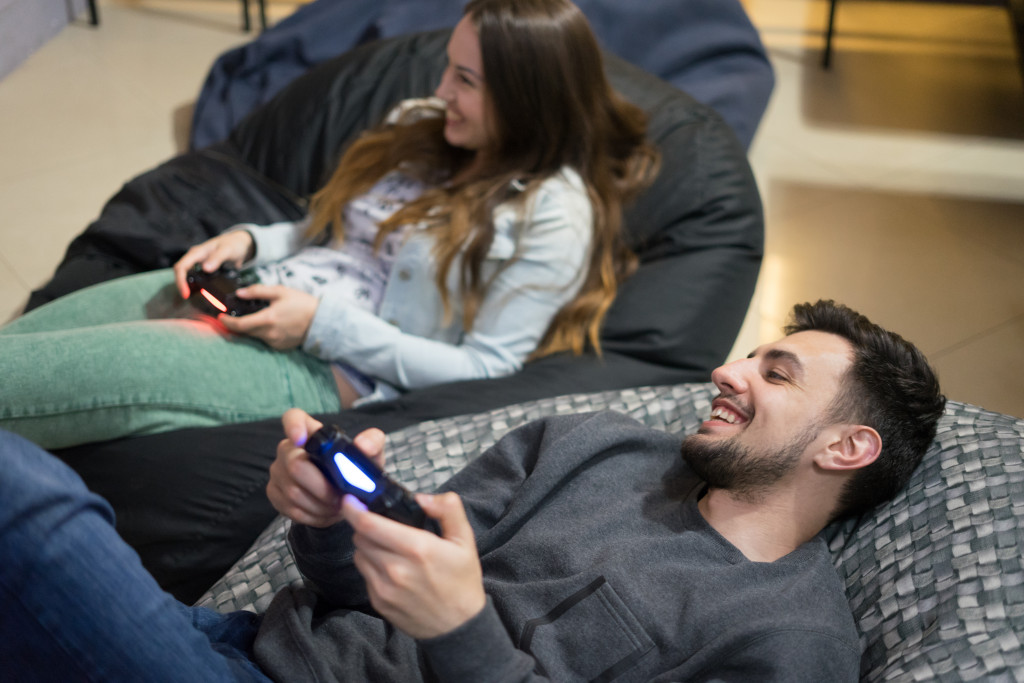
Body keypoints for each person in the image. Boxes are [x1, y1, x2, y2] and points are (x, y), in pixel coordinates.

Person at [0, 300, 945, 681]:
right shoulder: (598, 445)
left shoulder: (793, 644)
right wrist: (331, 525)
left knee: (29, 500)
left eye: (775, 374)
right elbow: (356, 594)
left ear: (848, 445)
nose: (727, 370)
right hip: (250, 646)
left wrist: (461, 633)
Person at [0, 0, 659, 450]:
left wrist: (320, 324)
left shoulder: (554, 215)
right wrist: (251, 238)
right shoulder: (423, 128)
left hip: (316, 364)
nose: (442, 91)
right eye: (448, 67)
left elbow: (487, 366)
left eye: (464, 78)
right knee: (20, 347)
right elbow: (332, 230)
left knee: (24, 383)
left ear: (527, 99)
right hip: (256, 288)